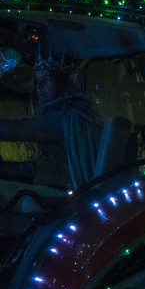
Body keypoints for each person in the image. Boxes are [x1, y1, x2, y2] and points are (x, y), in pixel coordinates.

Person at [0, 51, 103, 193]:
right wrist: (9, 168)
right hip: (60, 192)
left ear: (63, 83)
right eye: (37, 80)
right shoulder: (77, 114)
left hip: (58, 197)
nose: (39, 86)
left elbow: (9, 130)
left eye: (48, 80)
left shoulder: (63, 115)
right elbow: (52, 163)